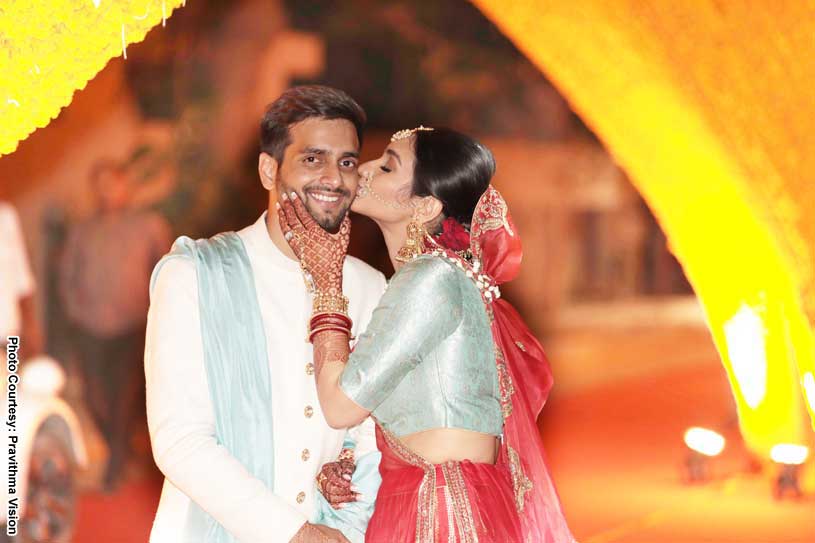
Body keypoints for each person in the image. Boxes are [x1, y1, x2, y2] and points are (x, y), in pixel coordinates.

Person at [279, 126, 576, 542]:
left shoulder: (432, 278)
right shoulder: (436, 279)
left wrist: (327, 282)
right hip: (430, 495)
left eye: (386, 167)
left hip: (440, 507)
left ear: (424, 207)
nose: (362, 170)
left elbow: (341, 405)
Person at [145, 85, 386, 543]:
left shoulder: (370, 287)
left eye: (348, 162)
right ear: (268, 169)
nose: (334, 179)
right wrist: (293, 532)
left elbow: (373, 436)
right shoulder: (194, 274)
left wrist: (346, 519)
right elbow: (180, 439)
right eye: (312, 159)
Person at [59, 158, 173, 491]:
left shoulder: (147, 225)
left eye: (114, 183)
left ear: (125, 186)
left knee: (124, 396)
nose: (108, 191)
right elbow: (66, 275)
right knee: (95, 396)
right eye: (101, 184)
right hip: (90, 326)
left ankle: (115, 465)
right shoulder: (82, 230)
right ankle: (120, 450)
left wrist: (161, 311)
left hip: (133, 324)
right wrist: (75, 310)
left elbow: (167, 269)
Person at [0, 201, 43, 357]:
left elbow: (21, 274)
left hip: (9, 331)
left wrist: (30, 323)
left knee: (12, 379)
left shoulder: (6, 217)